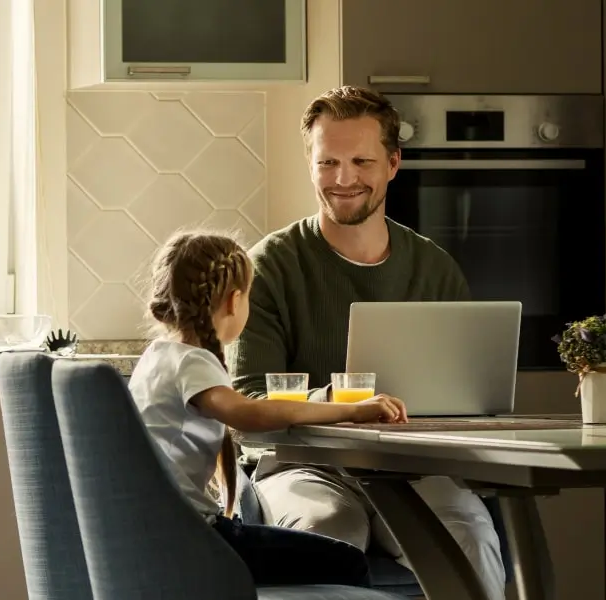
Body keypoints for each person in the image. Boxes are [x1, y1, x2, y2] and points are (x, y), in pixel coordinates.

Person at [228, 85, 507, 598]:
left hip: (415, 469)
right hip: (303, 466)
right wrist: (341, 407)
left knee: (469, 537)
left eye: (361, 160)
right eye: (328, 161)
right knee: (325, 531)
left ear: (393, 163)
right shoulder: (268, 267)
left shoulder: (433, 268)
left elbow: (468, 402)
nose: (344, 178)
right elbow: (247, 405)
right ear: (310, 163)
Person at [127, 229, 411, 588]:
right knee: (347, 561)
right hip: (193, 539)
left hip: (166, 532)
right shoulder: (194, 363)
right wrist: (349, 410)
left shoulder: (156, 357)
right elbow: (251, 415)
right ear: (234, 301)